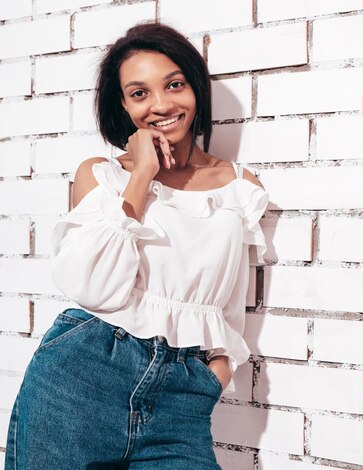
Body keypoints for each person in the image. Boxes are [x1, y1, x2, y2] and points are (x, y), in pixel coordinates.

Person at [4, 21, 269, 469]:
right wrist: (140, 175)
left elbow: (230, 302)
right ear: (123, 106)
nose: (162, 104)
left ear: (196, 89)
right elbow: (92, 288)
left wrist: (216, 374)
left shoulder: (238, 187)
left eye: (174, 84)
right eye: (140, 93)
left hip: (183, 395)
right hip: (81, 378)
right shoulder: (101, 176)